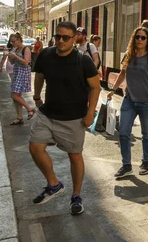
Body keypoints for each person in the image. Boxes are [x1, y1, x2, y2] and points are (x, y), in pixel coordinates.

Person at [29, 21, 100, 215]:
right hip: (48, 113)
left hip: (73, 119)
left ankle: (76, 196)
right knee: (35, 146)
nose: (60, 40)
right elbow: (39, 76)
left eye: (65, 37)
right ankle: (54, 184)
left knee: (75, 156)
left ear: (74, 39)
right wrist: (36, 97)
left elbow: (95, 87)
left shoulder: (82, 60)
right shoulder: (46, 54)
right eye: (58, 36)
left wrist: (90, 113)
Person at [108, 27, 148, 178]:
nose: (139, 40)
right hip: (129, 100)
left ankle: (146, 162)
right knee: (124, 132)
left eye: (143, 38)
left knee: (147, 134)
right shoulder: (129, 55)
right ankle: (126, 165)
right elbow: (123, 73)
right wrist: (113, 90)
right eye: (137, 37)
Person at [2, 33, 35, 125]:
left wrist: (15, 56)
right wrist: (10, 56)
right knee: (17, 96)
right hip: (16, 72)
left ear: (19, 39)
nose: (12, 43)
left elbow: (26, 62)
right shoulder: (16, 49)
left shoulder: (26, 48)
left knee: (14, 95)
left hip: (23, 73)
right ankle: (19, 117)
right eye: (11, 42)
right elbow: (13, 62)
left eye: (13, 41)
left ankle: (30, 109)